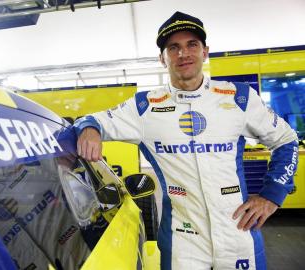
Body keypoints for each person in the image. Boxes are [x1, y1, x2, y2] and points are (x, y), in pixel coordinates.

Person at [73, 11, 299, 270]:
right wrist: (89, 127)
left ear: (205, 52)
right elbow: (89, 120)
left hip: (238, 233)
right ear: (162, 58)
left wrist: (272, 195)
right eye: (174, 48)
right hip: (182, 243)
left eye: (192, 44)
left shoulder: (239, 97)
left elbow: (286, 140)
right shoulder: (144, 107)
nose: (183, 53)